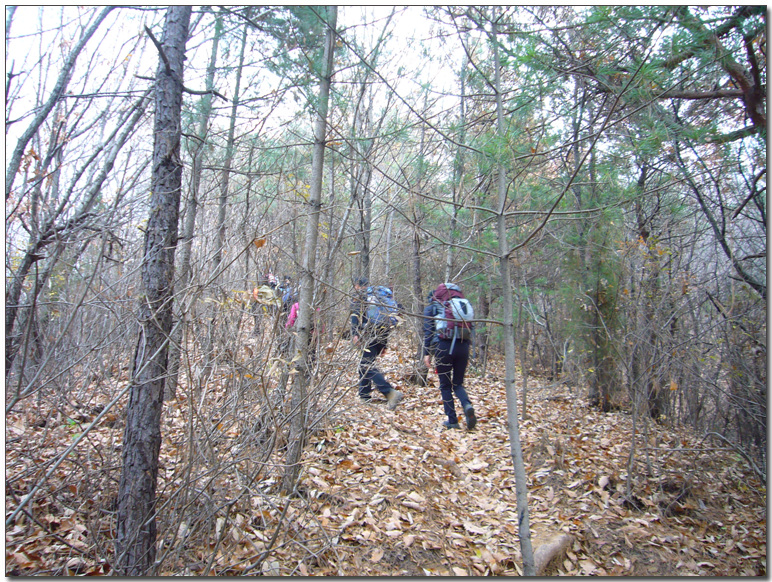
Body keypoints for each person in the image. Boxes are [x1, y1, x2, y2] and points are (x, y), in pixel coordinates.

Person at [422, 285, 477, 430]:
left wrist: (426, 353)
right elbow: (471, 329)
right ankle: (467, 405)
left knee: (445, 385)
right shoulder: (463, 306)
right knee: (458, 384)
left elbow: (428, 332)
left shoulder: (434, 307)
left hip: (444, 347)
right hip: (463, 346)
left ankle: (452, 421)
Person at [350, 277, 403, 410]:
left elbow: (356, 315)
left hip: (369, 333)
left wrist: (355, 333)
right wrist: (384, 344)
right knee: (365, 363)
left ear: (357, 286)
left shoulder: (361, 297)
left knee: (366, 365)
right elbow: (386, 322)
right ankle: (364, 395)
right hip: (381, 334)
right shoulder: (379, 298)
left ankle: (389, 392)